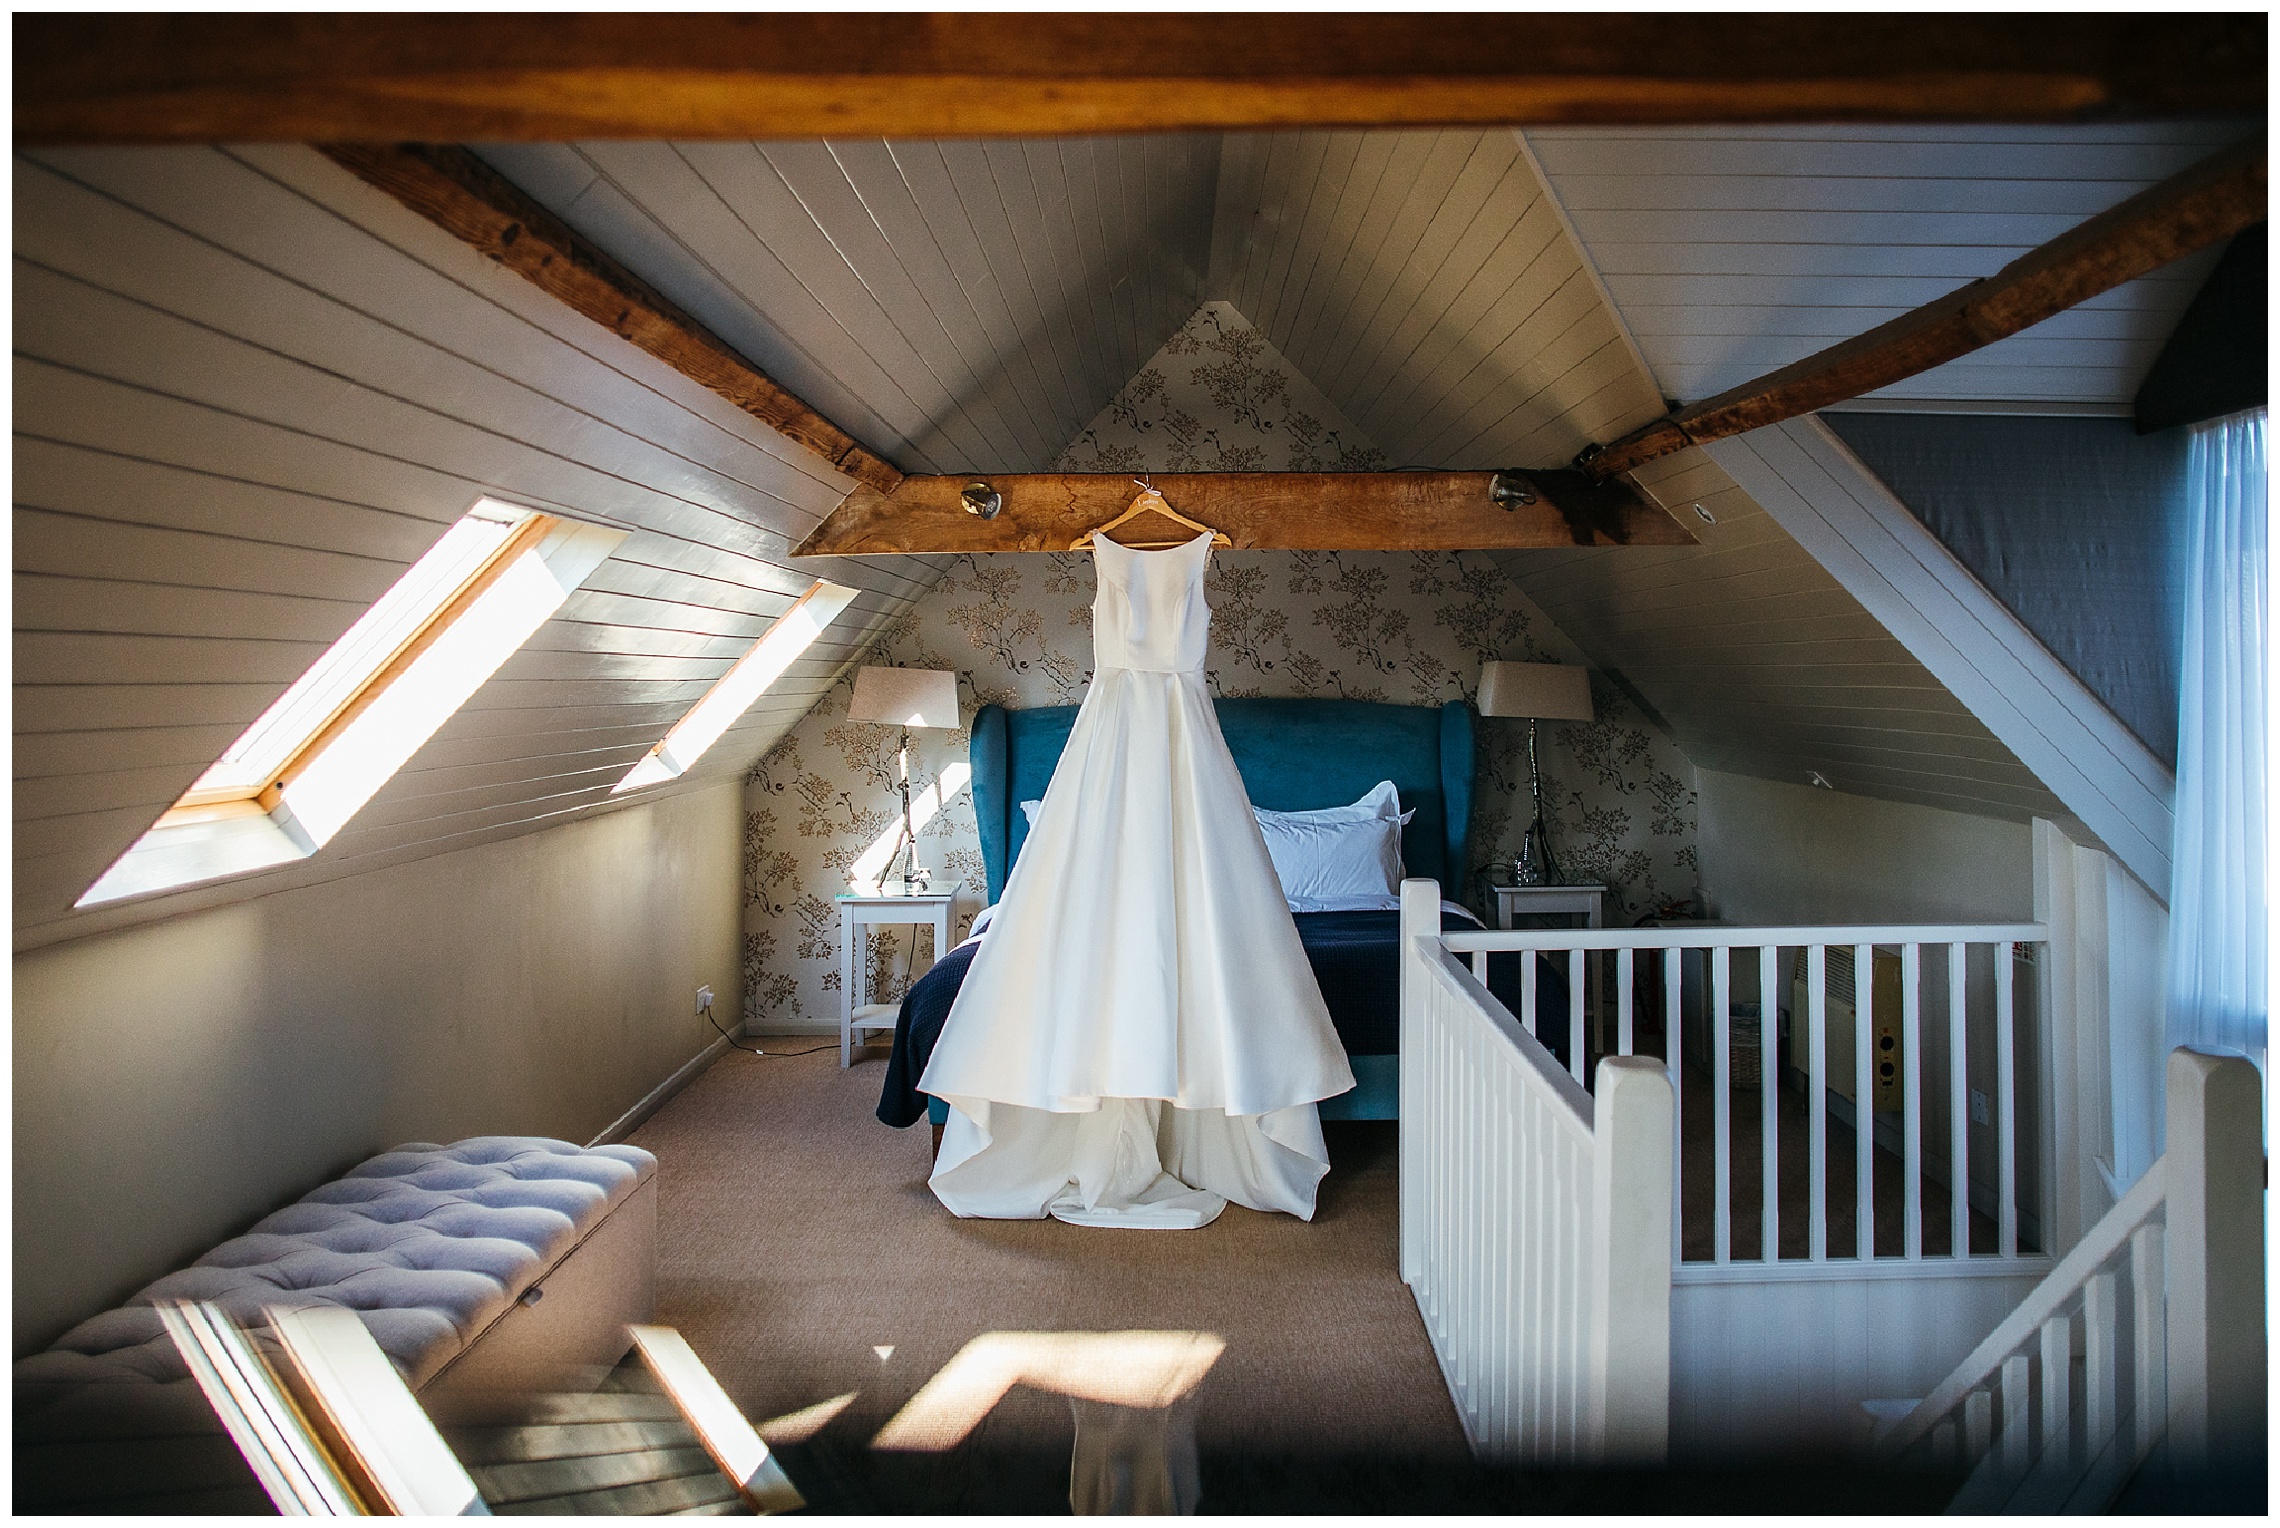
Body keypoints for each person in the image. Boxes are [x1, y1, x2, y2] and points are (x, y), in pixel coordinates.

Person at [919, 511, 1354, 1227]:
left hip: (1181, 726)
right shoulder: (1105, 548)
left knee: (1199, 884)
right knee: (1099, 874)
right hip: (1117, 723)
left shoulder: (1196, 549)